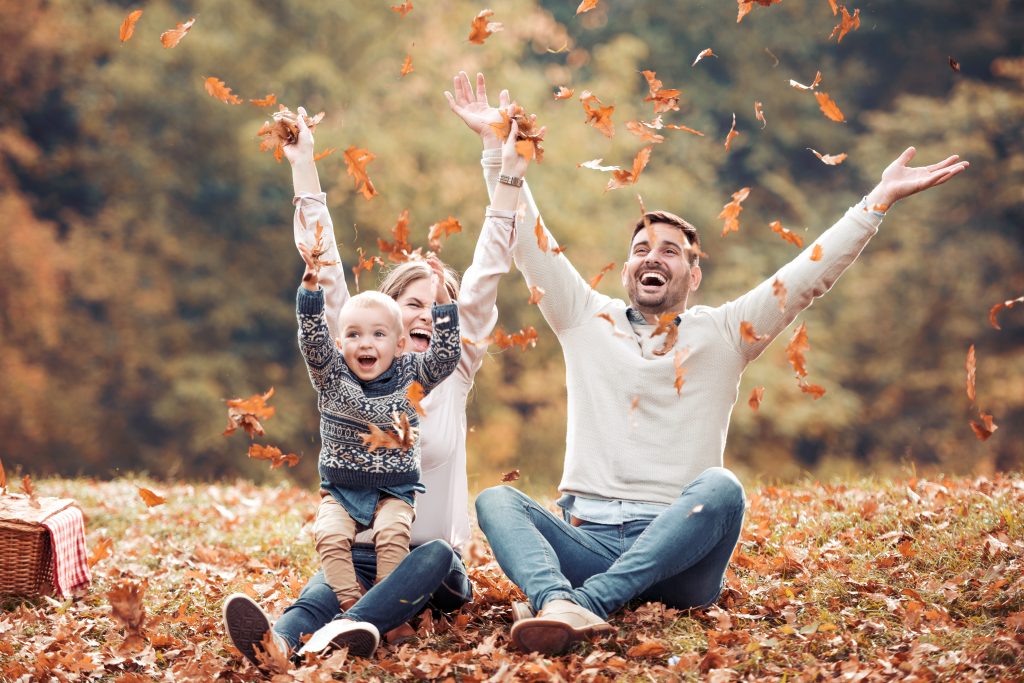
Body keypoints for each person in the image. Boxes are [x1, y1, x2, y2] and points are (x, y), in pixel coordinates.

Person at [447, 71, 970, 655]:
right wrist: (499, 149)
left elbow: (807, 277)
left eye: (670, 251)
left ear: (693, 275)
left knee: (723, 488)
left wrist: (877, 201)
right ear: (626, 270)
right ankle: (556, 601)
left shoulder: (726, 332)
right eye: (641, 249)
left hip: (683, 559)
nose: (653, 257)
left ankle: (583, 605)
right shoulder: (581, 317)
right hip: (589, 540)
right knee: (497, 500)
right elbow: (526, 238)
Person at [223, 99, 533, 666]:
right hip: (362, 558)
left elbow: (488, 269)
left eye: (437, 307)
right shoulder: (352, 363)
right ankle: (282, 644)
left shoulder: (453, 371)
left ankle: (347, 627)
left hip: (431, 571)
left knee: (435, 553)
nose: (423, 315)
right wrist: (303, 165)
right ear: (379, 323)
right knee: (312, 598)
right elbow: (328, 267)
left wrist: (507, 168)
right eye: (411, 304)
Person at [294, 236, 461, 653]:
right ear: (340, 343)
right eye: (353, 334)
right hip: (342, 491)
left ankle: (385, 613)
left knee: (392, 535)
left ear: (400, 343)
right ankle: (347, 611)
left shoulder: (411, 376)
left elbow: (445, 355)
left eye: (378, 335)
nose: (365, 343)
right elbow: (312, 341)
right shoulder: (331, 376)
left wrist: (441, 301)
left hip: (395, 492)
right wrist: (310, 293)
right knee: (329, 537)